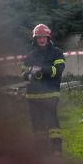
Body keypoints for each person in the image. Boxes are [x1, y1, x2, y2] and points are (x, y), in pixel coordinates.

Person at [23, 23, 66, 154]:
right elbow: (23, 74)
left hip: (50, 94)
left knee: (52, 124)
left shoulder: (56, 53)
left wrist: (42, 69)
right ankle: (41, 152)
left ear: (48, 38)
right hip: (33, 96)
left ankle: (56, 149)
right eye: (39, 37)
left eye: (43, 37)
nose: (41, 40)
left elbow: (58, 71)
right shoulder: (30, 56)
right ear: (35, 39)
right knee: (37, 125)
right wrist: (30, 73)